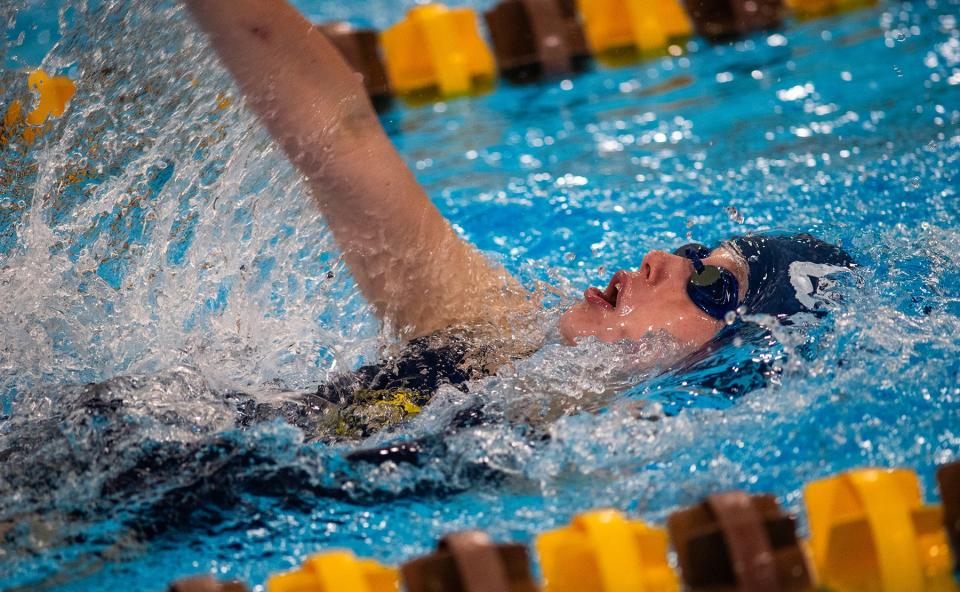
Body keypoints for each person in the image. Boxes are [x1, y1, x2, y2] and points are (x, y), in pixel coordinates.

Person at [183, 0, 855, 443]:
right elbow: (344, 132)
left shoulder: (594, 489)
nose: (661, 256)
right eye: (695, 251)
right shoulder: (487, 330)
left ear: (731, 364)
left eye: (711, 282)